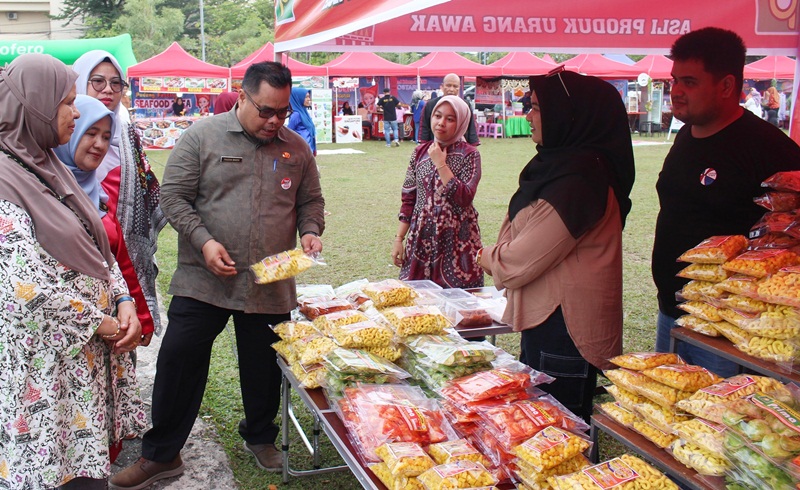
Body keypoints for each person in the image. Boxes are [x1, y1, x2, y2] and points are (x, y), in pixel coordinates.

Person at [110, 61, 325, 488]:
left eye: (282, 112)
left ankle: (261, 435)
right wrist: (204, 241)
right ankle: (162, 453)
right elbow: (174, 196)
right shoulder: (201, 137)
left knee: (264, 361)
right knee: (179, 359)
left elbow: (310, 201)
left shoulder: (295, 148)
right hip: (203, 278)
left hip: (269, 279)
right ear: (242, 96)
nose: (275, 120)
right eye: (265, 110)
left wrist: (311, 232)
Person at [0, 53, 145, 489]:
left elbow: (95, 246)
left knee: (83, 470)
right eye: (65, 101)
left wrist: (122, 301)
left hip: (80, 365)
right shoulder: (6, 179)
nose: (76, 110)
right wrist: (100, 321)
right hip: (43, 371)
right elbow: (21, 289)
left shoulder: (49, 168)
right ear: (33, 107)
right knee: (48, 473)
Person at [478, 69, 635, 422]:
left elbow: (519, 261)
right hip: (553, 321)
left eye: (535, 108)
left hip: (565, 329)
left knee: (559, 430)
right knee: (544, 423)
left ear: (570, 115)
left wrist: (485, 256)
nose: (528, 116)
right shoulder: (565, 168)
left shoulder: (579, 181)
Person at [652, 27, 800, 376]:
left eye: (689, 82)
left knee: (719, 423)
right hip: (673, 311)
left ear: (726, 86)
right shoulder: (688, 134)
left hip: (729, 329)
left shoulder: (768, 148)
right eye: (674, 80)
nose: (676, 92)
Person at [73, 50, 167, 337]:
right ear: (79, 83)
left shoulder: (125, 133)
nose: (108, 90)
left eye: (117, 84)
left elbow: (145, 189)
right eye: (97, 81)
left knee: (124, 337)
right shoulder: (56, 142)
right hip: (78, 265)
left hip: (122, 250)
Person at [392, 95, 483, 289]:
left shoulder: (470, 154)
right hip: (421, 238)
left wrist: (440, 163)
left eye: (450, 119)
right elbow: (409, 198)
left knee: (458, 304)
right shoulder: (419, 152)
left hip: (457, 241)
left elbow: (464, 197)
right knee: (418, 306)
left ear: (462, 123)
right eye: (438, 116)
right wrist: (399, 239)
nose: (441, 123)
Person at [419, 73, 480, 145]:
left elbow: (471, 127)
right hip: (436, 146)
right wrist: (424, 146)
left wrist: (473, 146)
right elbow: (424, 127)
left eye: (455, 86)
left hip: (460, 147)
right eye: (448, 85)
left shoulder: (465, 105)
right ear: (442, 86)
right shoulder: (431, 105)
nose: (451, 89)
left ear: (459, 87)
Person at [287, 88, 317, 156]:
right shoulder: (296, 114)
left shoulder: (304, 112)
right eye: (306, 97)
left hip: (308, 149)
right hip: (301, 151)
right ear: (298, 98)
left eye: (309, 96)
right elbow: (288, 132)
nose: (309, 99)